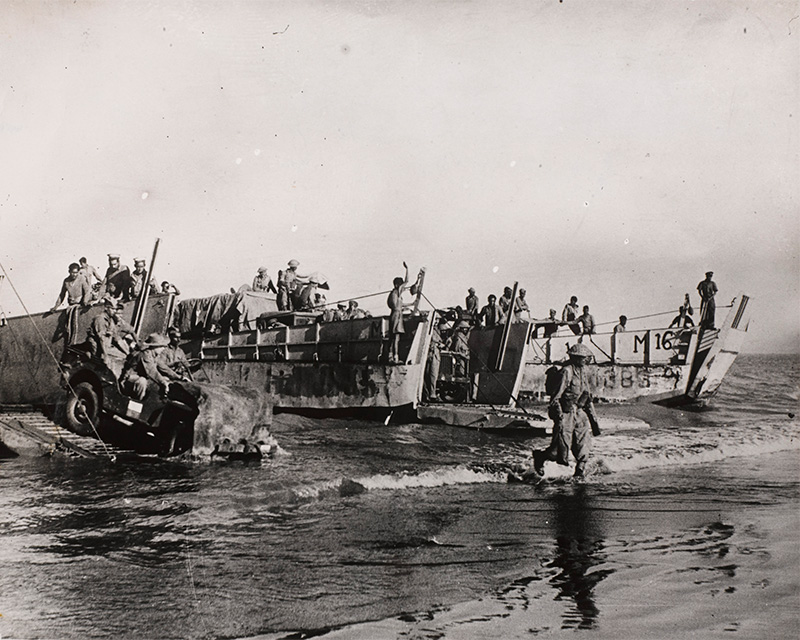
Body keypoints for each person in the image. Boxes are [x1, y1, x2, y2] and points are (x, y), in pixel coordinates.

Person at [533, 343, 600, 477]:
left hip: (579, 413)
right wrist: (559, 417)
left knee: (583, 447)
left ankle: (579, 474)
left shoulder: (583, 371)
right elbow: (555, 397)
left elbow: (587, 395)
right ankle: (540, 457)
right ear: (575, 358)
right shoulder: (566, 371)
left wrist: (594, 420)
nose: (587, 360)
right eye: (584, 357)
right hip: (566, 412)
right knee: (558, 451)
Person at [87, 297, 138, 367]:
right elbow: (101, 338)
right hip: (97, 346)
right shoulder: (100, 319)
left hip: (106, 346)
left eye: (115, 309)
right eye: (112, 309)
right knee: (103, 364)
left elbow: (116, 338)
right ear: (106, 308)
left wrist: (128, 353)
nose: (114, 311)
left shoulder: (110, 320)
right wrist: (105, 355)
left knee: (123, 357)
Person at [119, 333, 172, 400]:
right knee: (142, 381)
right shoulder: (145, 355)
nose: (164, 348)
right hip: (129, 379)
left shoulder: (154, 355)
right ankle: (137, 403)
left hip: (140, 376)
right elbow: (151, 371)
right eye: (162, 346)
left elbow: (163, 367)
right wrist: (163, 382)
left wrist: (179, 377)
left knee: (165, 379)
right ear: (155, 347)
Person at [387, 262, 410, 363]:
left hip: (394, 314)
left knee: (392, 337)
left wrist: (411, 304)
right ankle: (395, 357)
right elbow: (407, 281)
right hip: (397, 316)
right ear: (397, 285)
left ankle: (390, 356)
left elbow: (399, 305)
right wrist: (407, 269)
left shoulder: (394, 294)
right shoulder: (397, 291)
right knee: (396, 337)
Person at [423, 319, 447, 401]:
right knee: (430, 375)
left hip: (434, 354)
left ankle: (431, 393)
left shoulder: (436, 331)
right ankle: (430, 394)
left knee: (433, 375)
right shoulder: (432, 331)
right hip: (432, 354)